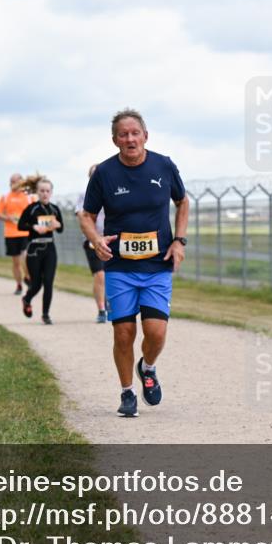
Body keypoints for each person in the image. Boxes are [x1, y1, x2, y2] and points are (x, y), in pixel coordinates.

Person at [80, 109, 189, 418]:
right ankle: (127, 392)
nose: (130, 139)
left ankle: (148, 368)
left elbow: (182, 201)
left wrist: (179, 241)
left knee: (156, 332)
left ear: (145, 136)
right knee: (124, 332)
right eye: (123, 134)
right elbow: (87, 215)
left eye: (135, 133)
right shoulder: (104, 173)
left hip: (157, 264)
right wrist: (96, 239)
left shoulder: (164, 165)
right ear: (115, 140)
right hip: (120, 266)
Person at [17, 177, 64, 324]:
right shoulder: (32, 209)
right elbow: (20, 225)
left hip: (50, 248)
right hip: (35, 249)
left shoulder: (54, 209)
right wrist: (33, 227)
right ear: (37, 192)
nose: (45, 194)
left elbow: (61, 228)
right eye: (42, 191)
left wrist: (57, 225)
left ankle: (45, 314)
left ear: (51, 192)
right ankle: (27, 299)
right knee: (37, 284)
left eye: (47, 191)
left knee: (48, 282)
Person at [77, 163, 109, 323]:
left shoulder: (112, 193)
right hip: (93, 240)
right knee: (100, 275)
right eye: (93, 175)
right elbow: (82, 217)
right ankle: (101, 309)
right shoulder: (84, 196)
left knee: (112, 275)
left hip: (111, 239)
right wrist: (94, 238)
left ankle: (110, 303)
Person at [0, 173, 34, 295]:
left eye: (15, 181)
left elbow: (35, 211)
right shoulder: (5, 197)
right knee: (16, 262)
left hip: (25, 232)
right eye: (11, 181)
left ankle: (28, 277)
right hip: (11, 233)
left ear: (21, 182)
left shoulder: (29, 197)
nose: (12, 183)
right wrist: (8, 218)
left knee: (26, 256)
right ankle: (19, 285)